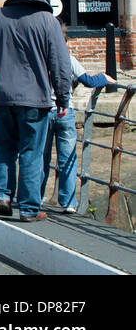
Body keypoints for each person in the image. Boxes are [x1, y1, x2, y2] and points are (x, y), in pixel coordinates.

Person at [0, 0, 72, 221]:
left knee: (5, 148)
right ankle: (29, 208)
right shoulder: (48, 21)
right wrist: (63, 99)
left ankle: (3, 196)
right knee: (31, 152)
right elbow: (60, 64)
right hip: (34, 98)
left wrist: (1, 69)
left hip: (1, 96)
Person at [42, 36, 115, 213]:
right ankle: (68, 202)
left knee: (40, 157)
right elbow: (88, 81)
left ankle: (37, 197)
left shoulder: (41, 59)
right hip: (66, 112)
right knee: (67, 159)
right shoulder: (69, 59)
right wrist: (103, 78)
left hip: (43, 111)